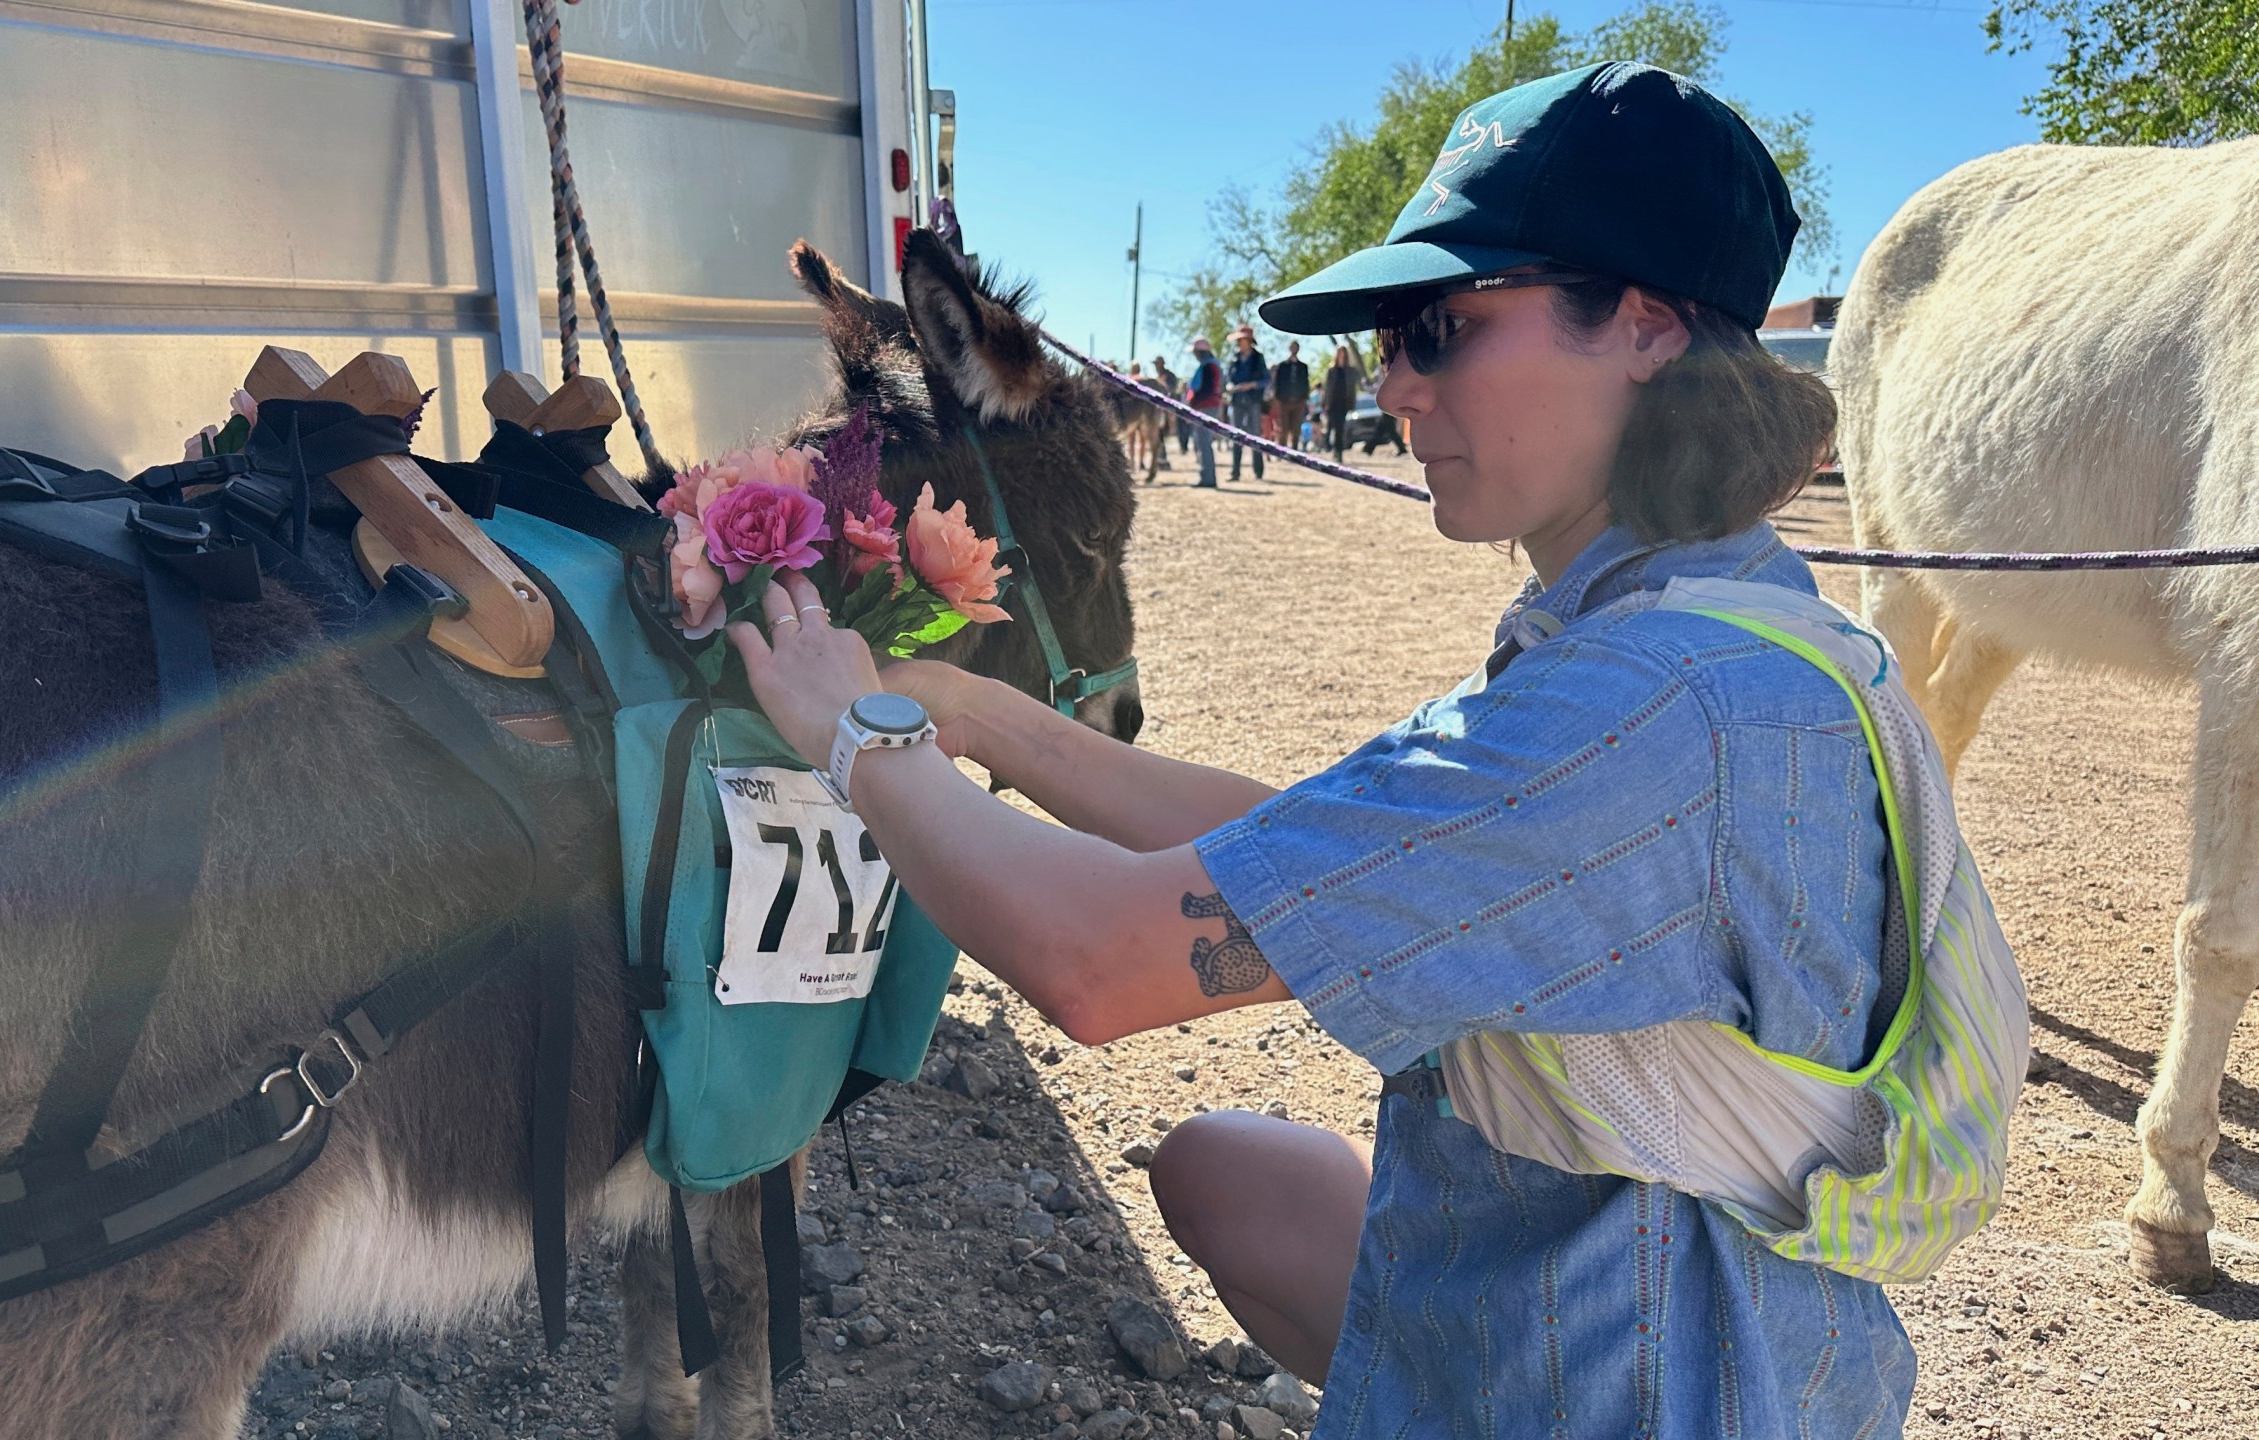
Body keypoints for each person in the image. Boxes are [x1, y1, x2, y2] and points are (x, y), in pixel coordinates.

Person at [721, 63, 2023, 1439]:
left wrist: (853, 730)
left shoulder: (1649, 710)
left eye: (1441, 328)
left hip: (1645, 1390)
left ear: (1646, 328)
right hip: (1704, 1318)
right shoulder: (1695, 617)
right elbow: (1306, 837)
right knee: (1227, 1171)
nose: (1389, 385)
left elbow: (1097, 963)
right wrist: (973, 714)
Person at [1224, 324, 1270, 479]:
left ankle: (1258, 471)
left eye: (1242, 339)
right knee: (1236, 434)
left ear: (1249, 340)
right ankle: (1235, 472)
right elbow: (1228, 379)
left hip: (1253, 400)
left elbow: (1266, 379)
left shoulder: (1258, 358)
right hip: (1237, 400)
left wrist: (1252, 385)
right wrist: (1231, 387)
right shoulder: (1234, 358)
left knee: (1255, 434)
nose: (1240, 343)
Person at [1183, 337, 1225, 488]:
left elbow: (1203, 389)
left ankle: (1207, 478)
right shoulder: (1212, 365)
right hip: (1209, 406)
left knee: (1203, 442)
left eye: (1195, 352)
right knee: (1203, 442)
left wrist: (1194, 404)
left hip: (1205, 407)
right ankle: (1207, 475)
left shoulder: (1208, 367)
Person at [1320, 342, 1360, 460]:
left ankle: (1339, 453)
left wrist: (1352, 403)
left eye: (1343, 352)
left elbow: (1353, 388)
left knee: (1340, 428)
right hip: (1332, 403)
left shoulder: (1351, 370)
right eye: (1339, 353)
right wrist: (1325, 403)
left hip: (1344, 403)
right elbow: (1327, 388)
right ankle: (1334, 450)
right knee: (1332, 428)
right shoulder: (1332, 370)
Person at [1271, 341, 1311, 457]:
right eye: (1292, 347)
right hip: (1284, 400)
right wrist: (1278, 398)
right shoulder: (1283, 365)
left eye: (1296, 347)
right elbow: (1277, 383)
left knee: (1296, 427)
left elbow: (1305, 382)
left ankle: (1294, 450)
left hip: (1299, 400)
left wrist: (1304, 397)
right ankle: (1282, 450)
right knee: (1283, 426)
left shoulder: (1303, 367)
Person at [1147, 356, 1177, 469]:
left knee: (1162, 434)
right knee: (1157, 434)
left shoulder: (1169, 376)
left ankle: (1162, 460)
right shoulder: (1157, 377)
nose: (1156, 366)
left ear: (1162, 363)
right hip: (1156, 409)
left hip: (1166, 410)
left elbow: (1171, 391)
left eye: (1157, 364)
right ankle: (1160, 459)